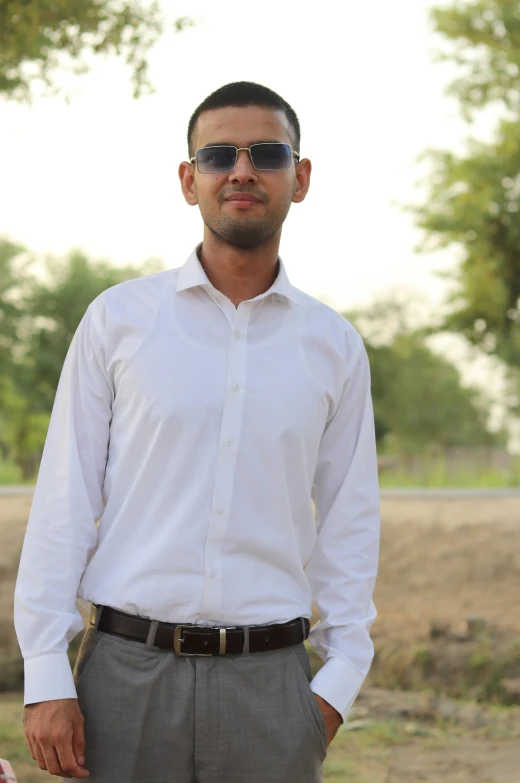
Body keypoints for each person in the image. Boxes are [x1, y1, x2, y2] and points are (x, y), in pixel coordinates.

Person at [14, 81, 380, 783]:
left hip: (272, 690)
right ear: (190, 180)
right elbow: (63, 500)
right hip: (123, 679)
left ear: (299, 179)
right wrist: (45, 672)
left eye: (266, 153)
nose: (242, 170)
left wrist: (334, 687)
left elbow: (350, 523)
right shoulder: (118, 322)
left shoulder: (334, 346)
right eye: (219, 155)